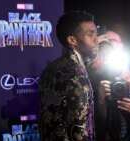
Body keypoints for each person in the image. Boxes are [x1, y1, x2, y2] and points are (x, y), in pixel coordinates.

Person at [38, 11, 98, 141]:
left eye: (96, 33)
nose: (96, 39)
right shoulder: (77, 76)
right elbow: (80, 130)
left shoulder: (49, 69)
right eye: (90, 34)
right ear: (72, 40)